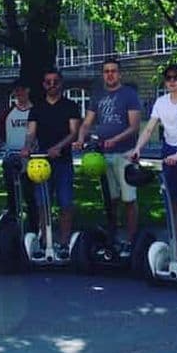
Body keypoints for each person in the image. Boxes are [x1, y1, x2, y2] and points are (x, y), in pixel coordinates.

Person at [129, 64, 177, 259]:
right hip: (169, 156)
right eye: (168, 78)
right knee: (173, 205)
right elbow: (149, 128)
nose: (172, 81)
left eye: (176, 77)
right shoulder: (161, 102)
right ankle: (175, 249)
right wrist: (138, 148)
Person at [75, 58, 141, 252]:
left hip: (125, 154)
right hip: (104, 154)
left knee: (129, 199)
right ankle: (113, 238)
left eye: (113, 71)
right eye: (106, 71)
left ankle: (132, 241)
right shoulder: (98, 96)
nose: (110, 74)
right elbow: (87, 123)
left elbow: (134, 126)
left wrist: (116, 139)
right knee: (111, 199)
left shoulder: (129, 94)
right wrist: (80, 138)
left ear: (119, 74)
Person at [21, 69, 81, 260]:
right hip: (41, 162)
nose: (52, 85)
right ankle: (45, 241)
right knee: (42, 204)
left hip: (63, 161)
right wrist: (27, 147)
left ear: (61, 83)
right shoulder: (37, 108)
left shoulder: (70, 106)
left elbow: (74, 132)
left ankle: (63, 243)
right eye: (48, 82)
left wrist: (59, 147)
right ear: (44, 85)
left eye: (55, 81)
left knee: (65, 203)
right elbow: (31, 133)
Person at [0, 78, 37, 233]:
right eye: (17, 91)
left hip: (30, 161)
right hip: (11, 159)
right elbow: (0, 134)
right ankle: (13, 229)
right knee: (12, 197)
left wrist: (30, 148)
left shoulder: (35, 111)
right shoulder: (8, 112)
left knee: (30, 197)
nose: (20, 94)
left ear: (28, 90)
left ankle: (34, 229)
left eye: (22, 90)